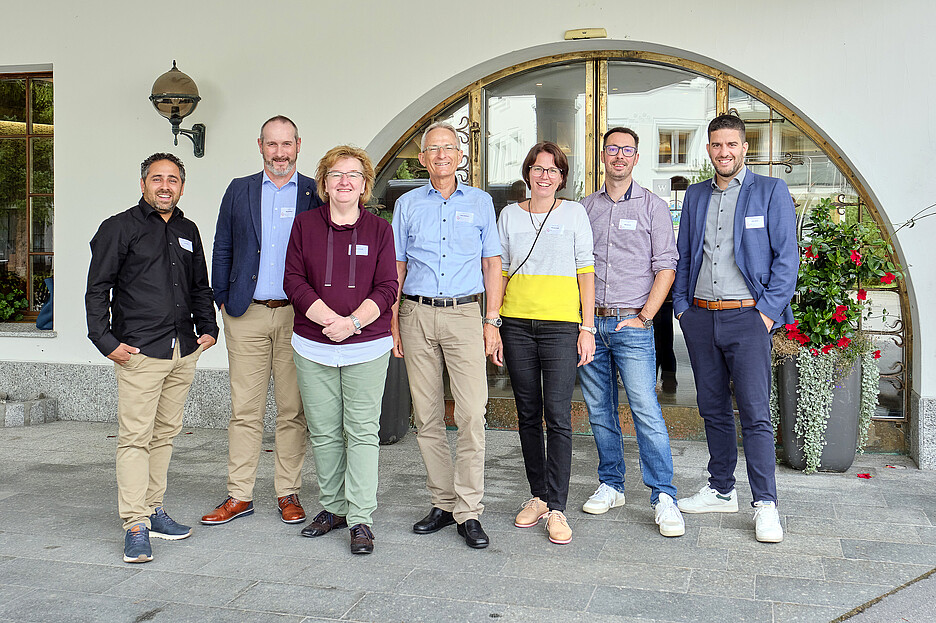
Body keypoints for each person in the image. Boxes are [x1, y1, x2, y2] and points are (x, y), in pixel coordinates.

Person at [86, 152, 218, 563]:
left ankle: (154, 509)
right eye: (158, 178)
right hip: (139, 352)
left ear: (182, 185)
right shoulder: (118, 228)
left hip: (182, 350)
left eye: (173, 179)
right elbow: (97, 289)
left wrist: (207, 328)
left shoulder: (187, 228)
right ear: (143, 184)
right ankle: (135, 524)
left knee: (163, 436)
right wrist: (105, 341)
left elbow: (200, 284)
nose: (166, 185)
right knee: (135, 439)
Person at [672, 114, 797, 543]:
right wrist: (684, 310)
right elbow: (685, 255)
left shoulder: (770, 191)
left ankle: (765, 504)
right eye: (716, 145)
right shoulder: (694, 196)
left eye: (732, 145)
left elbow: (787, 261)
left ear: (744, 148)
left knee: (756, 413)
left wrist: (765, 314)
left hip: (748, 318)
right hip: (701, 318)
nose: (724, 152)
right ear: (708, 149)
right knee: (712, 409)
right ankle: (722, 489)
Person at [203, 116, 324, 527]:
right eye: (271, 144)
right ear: (260, 146)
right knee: (245, 410)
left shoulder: (315, 192)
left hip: (298, 315)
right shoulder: (239, 190)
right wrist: (223, 299)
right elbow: (222, 246)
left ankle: (287, 492)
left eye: (286, 143)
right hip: (247, 313)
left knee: (293, 410)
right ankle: (239, 495)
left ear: (298, 145)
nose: (279, 152)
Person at [391, 121, 502, 549]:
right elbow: (397, 266)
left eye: (449, 148)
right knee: (427, 416)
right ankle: (442, 502)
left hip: (463, 315)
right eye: (432, 149)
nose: (441, 155)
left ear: (460, 156)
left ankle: (469, 510)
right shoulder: (406, 204)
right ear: (422, 159)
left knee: (473, 413)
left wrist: (491, 321)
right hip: (416, 314)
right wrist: (392, 321)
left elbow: (492, 264)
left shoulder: (480, 202)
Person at [283, 145, 397, 555]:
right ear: (324, 184)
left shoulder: (380, 230)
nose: (344, 181)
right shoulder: (304, 225)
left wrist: (352, 323)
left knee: (362, 432)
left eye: (353, 174)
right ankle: (332, 508)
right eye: (336, 174)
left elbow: (388, 287)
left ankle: (361, 517)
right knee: (326, 432)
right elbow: (293, 281)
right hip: (313, 344)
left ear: (365, 185)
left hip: (367, 344)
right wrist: (328, 320)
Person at [579, 127, 684, 537]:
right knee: (599, 410)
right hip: (591, 323)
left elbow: (666, 266)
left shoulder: (653, 207)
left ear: (636, 157)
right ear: (602, 156)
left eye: (627, 150)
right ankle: (612, 484)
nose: (619, 156)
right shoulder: (585, 207)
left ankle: (663, 496)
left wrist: (644, 318)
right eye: (612, 149)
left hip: (632, 325)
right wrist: (582, 320)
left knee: (645, 409)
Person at [494, 141, 595, 545]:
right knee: (526, 413)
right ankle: (537, 495)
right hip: (516, 324)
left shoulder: (574, 213)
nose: (544, 176)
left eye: (553, 170)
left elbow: (586, 271)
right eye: (538, 168)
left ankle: (558, 507)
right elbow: (497, 270)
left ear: (562, 177)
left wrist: (587, 327)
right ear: (527, 173)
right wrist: (494, 322)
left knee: (557, 414)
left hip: (561, 326)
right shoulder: (508, 216)